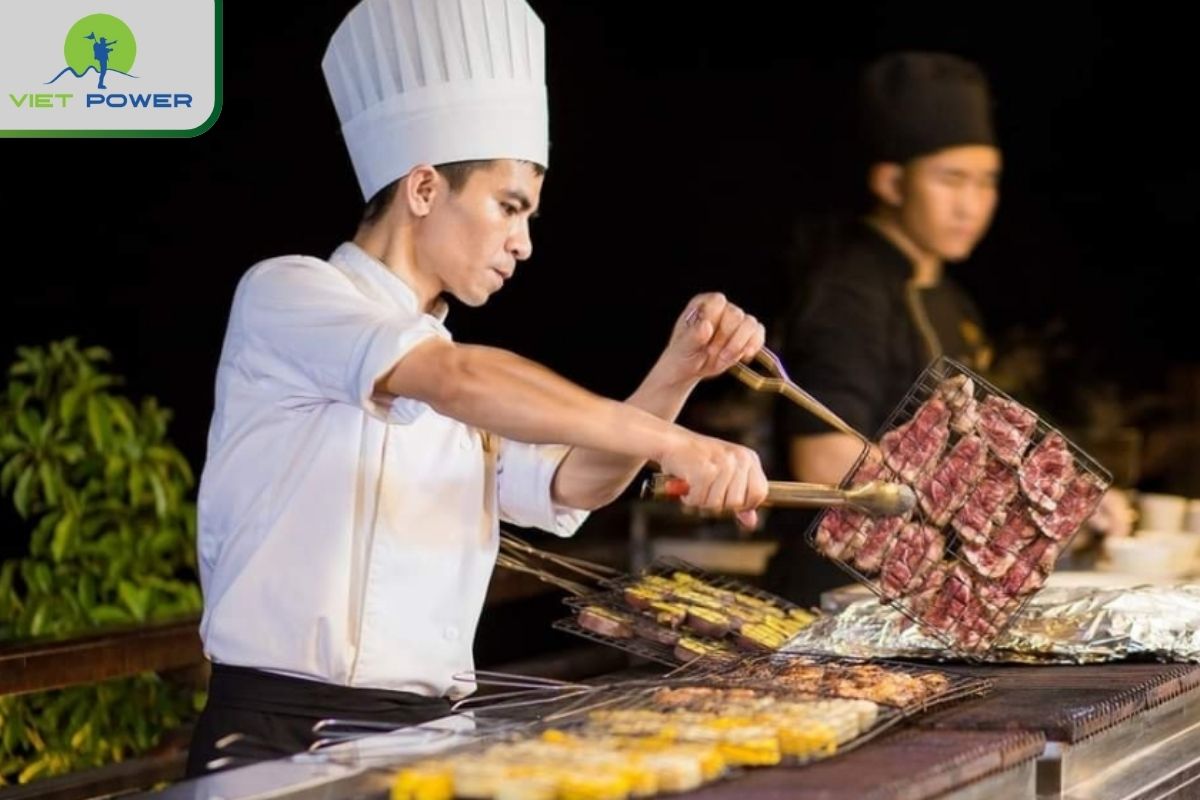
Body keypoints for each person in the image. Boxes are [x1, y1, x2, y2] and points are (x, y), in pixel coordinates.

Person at [185, 0, 768, 776]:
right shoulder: (292, 296)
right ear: (425, 188)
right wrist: (676, 444)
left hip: (429, 742)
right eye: (509, 207)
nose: (524, 243)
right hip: (279, 737)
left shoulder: (468, 378)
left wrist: (678, 373)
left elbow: (579, 479)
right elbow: (451, 378)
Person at [763, 51, 1129, 607]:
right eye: (951, 180)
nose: (971, 205)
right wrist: (1001, 503)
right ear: (891, 182)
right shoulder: (849, 289)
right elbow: (824, 457)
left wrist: (1068, 495)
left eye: (986, 183)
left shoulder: (949, 296)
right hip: (840, 596)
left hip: (919, 595)